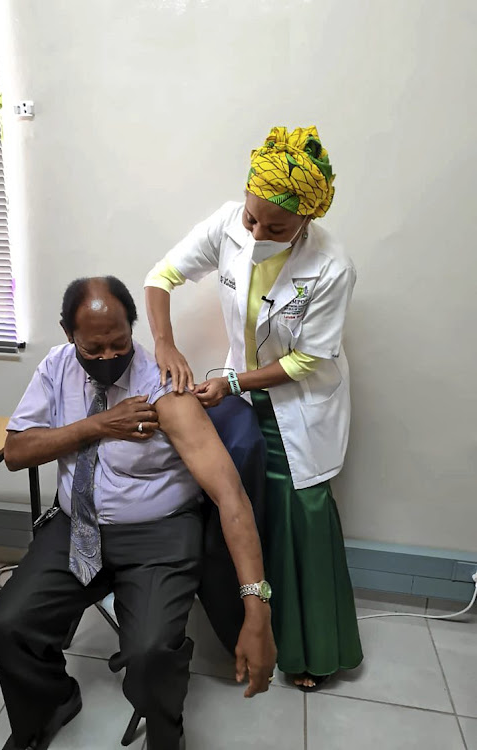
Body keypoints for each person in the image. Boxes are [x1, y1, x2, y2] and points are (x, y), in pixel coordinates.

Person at [0, 276, 276, 750]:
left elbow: (230, 495)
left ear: (131, 329)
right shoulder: (56, 368)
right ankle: (51, 701)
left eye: (118, 344)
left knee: (151, 651)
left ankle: (165, 734)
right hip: (77, 525)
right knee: (6, 624)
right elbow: (17, 452)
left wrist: (255, 608)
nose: (106, 357)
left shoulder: (162, 385)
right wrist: (99, 425)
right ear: (68, 334)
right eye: (92, 347)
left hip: (157, 531)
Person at [144, 125, 363, 690]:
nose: (259, 233)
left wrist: (234, 383)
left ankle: (313, 652)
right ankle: (252, 634)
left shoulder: (332, 267)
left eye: (278, 227)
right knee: (246, 508)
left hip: (299, 402)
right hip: (241, 396)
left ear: (307, 221)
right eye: (252, 219)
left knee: (302, 515)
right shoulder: (225, 223)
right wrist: (165, 344)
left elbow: (306, 363)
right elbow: (161, 276)